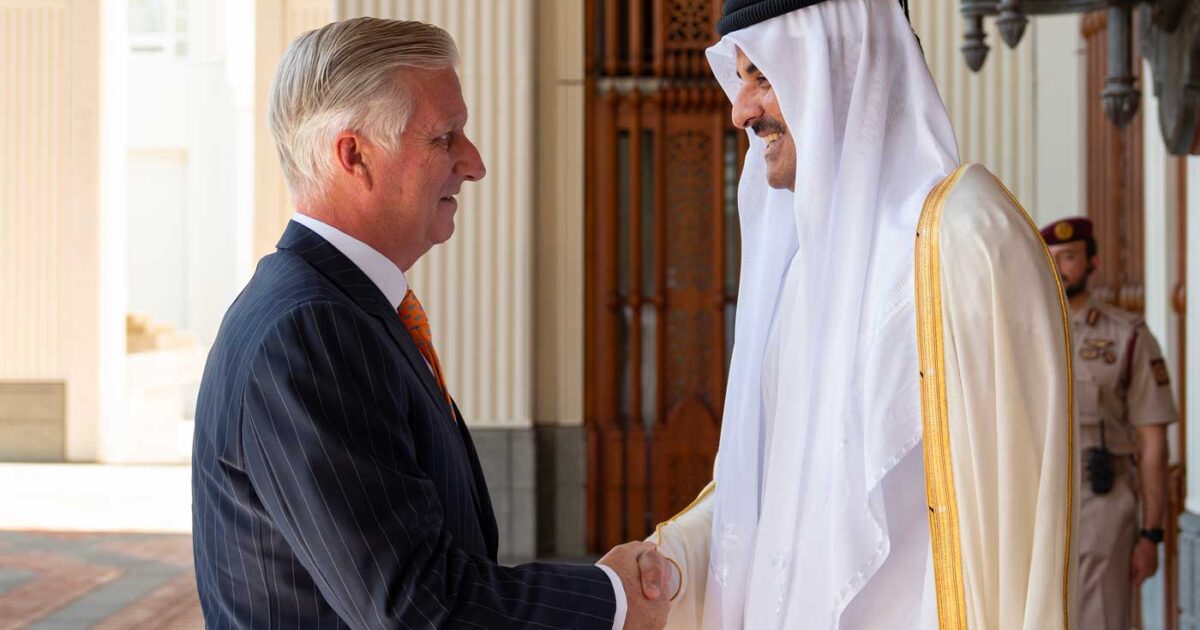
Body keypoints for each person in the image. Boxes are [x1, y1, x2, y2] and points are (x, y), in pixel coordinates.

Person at [191, 18, 669, 629]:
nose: (474, 163)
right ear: (354, 155)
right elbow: (415, 606)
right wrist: (614, 599)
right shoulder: (312, 330)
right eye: (445, 137)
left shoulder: (336, 309)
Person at [648, 0, 1078, 628]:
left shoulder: (965, 240)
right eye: (739, 80)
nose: (740, 112)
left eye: (763, 77)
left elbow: (1017, 537)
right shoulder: (805, 271)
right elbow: (780, 496)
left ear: (844, 64)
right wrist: (665, 566)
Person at [1042, 216, 1177, 630]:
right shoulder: (1025, 333)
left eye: (1068, 257)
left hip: (1102, 500)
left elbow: (1152, 440)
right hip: (1038, 499)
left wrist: (1151, 533)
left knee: (1100, 619)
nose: (1058, 267)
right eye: (1050, 258)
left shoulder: (1127, 336)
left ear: (1093, 263)